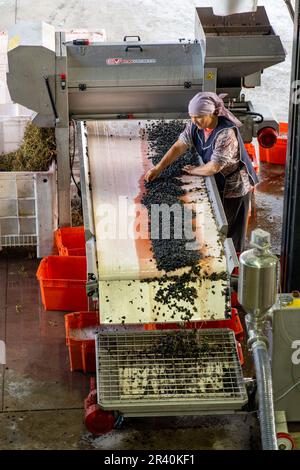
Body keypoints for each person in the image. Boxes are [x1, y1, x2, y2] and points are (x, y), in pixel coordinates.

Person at [145, 92, 259, 252]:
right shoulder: (195, 125)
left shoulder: (226, 134)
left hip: (234, 187)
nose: (194, 120)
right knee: (216, 224)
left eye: (198, 116)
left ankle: (234, 267)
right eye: (191, 116)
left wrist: (194, 171)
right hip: (217, 179)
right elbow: (179, 145)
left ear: (211, 113)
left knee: (231, 231)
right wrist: (158, 168)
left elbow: (214, 167)